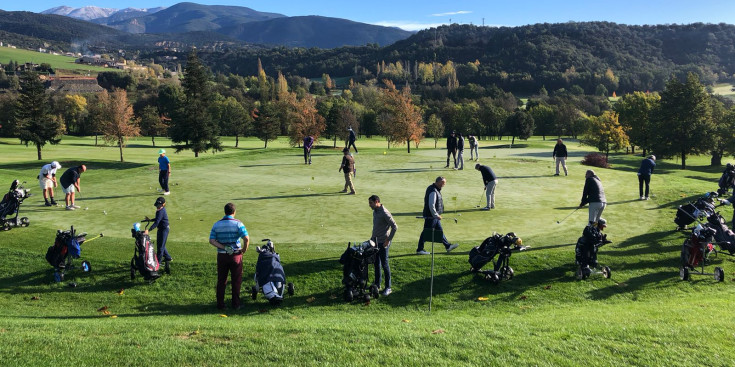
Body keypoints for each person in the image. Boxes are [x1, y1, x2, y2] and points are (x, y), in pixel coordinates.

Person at [209, 202, 250, 310]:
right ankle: (236, 304)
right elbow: (246, 238)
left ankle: (220, 305)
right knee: (236, 280)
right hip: (236, 255)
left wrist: (223, 247)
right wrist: (244, 250)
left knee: (221, 280)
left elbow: (212, 240)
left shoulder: (217, 224)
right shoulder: (238, 223)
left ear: (225, 212)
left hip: (222, 256)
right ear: (234, 212)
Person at [416, 176, 459, 255]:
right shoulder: (433, 190)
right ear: (438, 182)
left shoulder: (434, 189)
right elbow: (431, 205)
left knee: (439, 231)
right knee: (426, 233)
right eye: (443, 183)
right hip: (431, 216)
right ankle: (419, 249)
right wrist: (436, 215)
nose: (444, 185)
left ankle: (448, 246)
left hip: (433, 216)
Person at [369, 195, 397, 296]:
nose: (370, 205)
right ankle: (377, 284)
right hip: (375, 242)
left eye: (371, 203)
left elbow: (394, 227)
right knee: (376, 263)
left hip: (383, 242)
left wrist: (388, 240)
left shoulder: (385, 213)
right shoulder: (375, 211)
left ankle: (388, 287)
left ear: (377, 201)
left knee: (385, 264)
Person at [145, 196, 172, 263]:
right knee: (160, 245)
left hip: (164, 229)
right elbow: (158, 219)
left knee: (160, 247)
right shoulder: (159, 210)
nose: (157, 206)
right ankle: (168, 257)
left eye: (159, 205)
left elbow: (157, 222)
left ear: (163, 204)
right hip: (160, 229)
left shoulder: (161, 211)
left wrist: (148, 230)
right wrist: (150, 220)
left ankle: (158, 263)